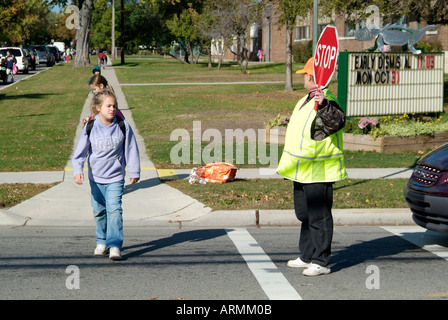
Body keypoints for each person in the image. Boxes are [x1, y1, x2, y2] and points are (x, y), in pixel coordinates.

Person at [277, 57, 347, 276]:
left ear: (311, 77)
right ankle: (306, 255)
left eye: (305, 75)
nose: (303, 78)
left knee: (319, 215)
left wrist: (324, 103)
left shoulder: (328, 100)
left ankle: (320, 260)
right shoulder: (306, 99)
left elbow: (336, 121)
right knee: (304, 213)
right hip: (301, 169)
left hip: (319, 168)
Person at [72, 89, 141, 261]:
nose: (112, 109)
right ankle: (101, 241)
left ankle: (115, 245)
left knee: (115, 210)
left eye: (114, 106)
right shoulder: (91, 127)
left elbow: (131, 148)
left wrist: (134, 170)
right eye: (108, 106)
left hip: (116, 178)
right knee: (99, 212)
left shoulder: (122, 126)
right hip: (95, 178)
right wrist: (77, 170)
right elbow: (80, 152)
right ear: (97, 108)